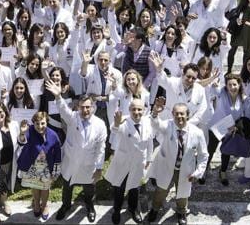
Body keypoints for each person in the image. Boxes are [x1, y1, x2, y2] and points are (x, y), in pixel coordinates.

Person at [45, 80, 107, 223]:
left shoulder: (100, 124)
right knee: (67, 186)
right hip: (71, 161)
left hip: (88, 164)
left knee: (89, 189)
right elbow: (63, 109)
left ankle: (90, 206)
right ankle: (65, 206)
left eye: (88, 107)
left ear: (93, 107)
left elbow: (101, 148)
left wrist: (98, 168)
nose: (85, 110)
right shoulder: (73, 118)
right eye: (82, 107)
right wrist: (58, 96)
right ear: (78, 107)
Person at [146, 100, 208, 225]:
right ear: (172, 114)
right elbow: (156, 124)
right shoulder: (168, 125)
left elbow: (203, 155)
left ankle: (181, 212)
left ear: (188, 115)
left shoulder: (197, 133)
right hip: (167, 166)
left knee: (183, 194)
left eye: (182, 114)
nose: (179, 116)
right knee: (160, 190)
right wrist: (154, 113)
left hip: (185, 170)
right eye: (176, 114)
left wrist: (198, 172)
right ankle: (154, 209)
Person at [105, 99, 153, 224]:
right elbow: (114, 132)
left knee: (134, 188)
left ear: (144, 110)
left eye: (139, 109)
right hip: (123, 162)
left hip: (138, 162)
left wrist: (149, 158)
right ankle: (116, 210)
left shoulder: (147, 122)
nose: (136, 112)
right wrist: (115, 124)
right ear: (129, 110)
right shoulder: (123, 121)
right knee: (119, 189)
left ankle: (133, 209)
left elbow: (150, 142)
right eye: (133, 109)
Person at [17, 112, 62, 221]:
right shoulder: (30, 131)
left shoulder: (53, 135)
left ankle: (45, 205)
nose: (40, 126)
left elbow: (57, 154)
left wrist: (56, 171)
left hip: (46, 167)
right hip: (32, 166)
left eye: (43, 123)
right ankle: (37, 203)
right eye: (37, 123)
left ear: (47, 122)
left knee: (45, 188)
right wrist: (22, 133)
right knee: (35, 186)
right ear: (33, 123)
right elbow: (22, 142)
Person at [205, 74, 248, 186]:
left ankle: (223, 171)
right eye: (229, 85)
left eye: (234, 84)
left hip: (230, 129)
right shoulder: (222, 93)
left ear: (239, 85)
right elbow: (214, 91)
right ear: (226, 86)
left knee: (226, 151)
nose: (232, 87)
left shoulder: (242, 99)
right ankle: (204, 169)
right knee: (210, 150)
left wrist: (236, 126)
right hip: (216, 127)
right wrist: (214, 85)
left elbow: (243, 116)